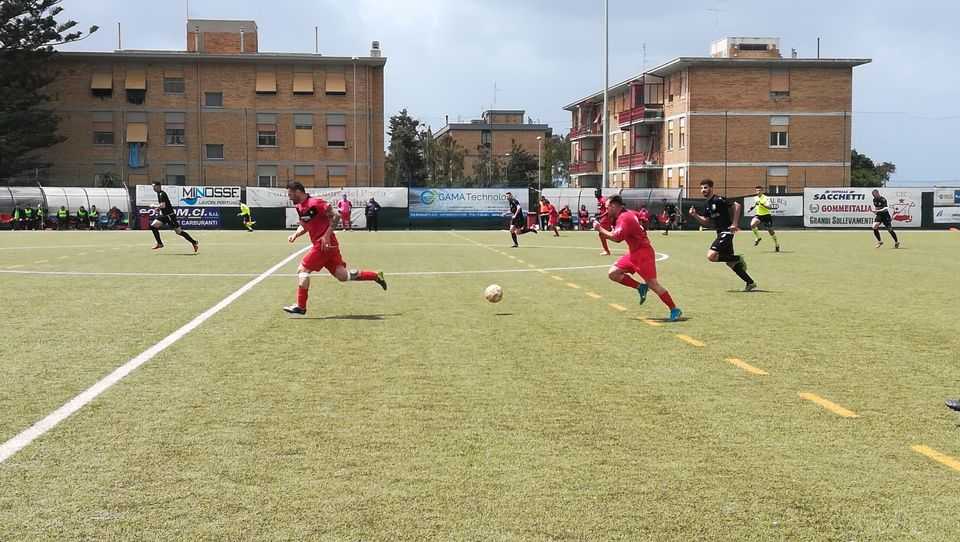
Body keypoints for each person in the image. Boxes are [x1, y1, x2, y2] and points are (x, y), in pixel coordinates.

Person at [283, 181, 386, 315]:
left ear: (298, 191)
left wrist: (326, 235)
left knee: (303, 270)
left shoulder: (316, 203)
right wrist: (295, 235)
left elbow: (337, 215)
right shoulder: (300, 207)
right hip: (327, 246)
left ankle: (301, 307)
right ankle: (376, 276)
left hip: (324, 244)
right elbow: (305, 225)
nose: (289, 197)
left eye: (290, 194)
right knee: (343, 276)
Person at [596, 195, 682, 322]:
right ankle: (640, 287)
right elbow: (641, 218)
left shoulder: (624, 218)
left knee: (653, 284)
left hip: (643, 254)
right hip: (634, 252)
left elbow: (617, 238)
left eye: (607, 207)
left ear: (614, 206)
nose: (606, 210)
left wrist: (600, 229)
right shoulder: (629, 213)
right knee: (613, 273)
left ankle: (674, 309)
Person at [687, 179, 758, 291]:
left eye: (705, 187)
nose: (703, 190)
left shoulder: (718, 199)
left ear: (711, 188)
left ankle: (738, 258)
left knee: (711, 256)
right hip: (720, 232)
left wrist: (734, 223)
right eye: (701, 188)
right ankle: (750, 283)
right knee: (731, 263)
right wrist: (695, 215)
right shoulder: (707, 204)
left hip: (727, 231)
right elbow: (706, 221)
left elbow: (737, 205)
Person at [149, 181, 199, 252]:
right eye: (152, 187)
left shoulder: (162, 194)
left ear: (158, 186)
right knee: (153, 226)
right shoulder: (159, 194)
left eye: (154, 186)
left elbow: (163, 205)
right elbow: (163, 206)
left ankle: (194, 242)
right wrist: (158, 208)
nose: (153, 188)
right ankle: (160, 243)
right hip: (165, 216)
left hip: (170, 216)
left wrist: (154, 206)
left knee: (179, 232)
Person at [748, 186, 780, 252]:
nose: (758, 192)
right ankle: (758, 238)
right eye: (757, 190)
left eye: (759, 190)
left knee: (771, 232)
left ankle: (777, 245)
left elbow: (769, 207)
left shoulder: (765, 198)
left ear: (762, 191)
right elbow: (755, 204)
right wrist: (751, 209)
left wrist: (763, 205)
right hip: (758, 215)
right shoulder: (755, 198)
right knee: (752, 224)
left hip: (766, 216)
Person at [595, 189, 612, 255]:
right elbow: (602, 209)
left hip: (606, 219)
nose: (595, 194)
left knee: (601, 234)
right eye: (595, 193)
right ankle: (606, 250)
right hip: (603, 219)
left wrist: (601, 216)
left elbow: (608, 210)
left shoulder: (603, 200)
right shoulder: (599, 200)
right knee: (602, 234)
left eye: (596, 193)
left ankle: (606, 251)